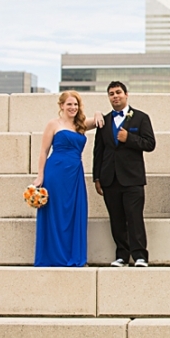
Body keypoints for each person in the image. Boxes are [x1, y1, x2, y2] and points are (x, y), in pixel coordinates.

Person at [34, 92, 103, 267]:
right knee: (55, 213)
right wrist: (40, 175)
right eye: (69, 104)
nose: (73, 108)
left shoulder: (80, 125)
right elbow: (43, 151)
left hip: (75, 175)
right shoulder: (53, 124)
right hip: (55, 173)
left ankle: (74, 256)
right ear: (62, 106)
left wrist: (97, 113)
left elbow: (97, 121)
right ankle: (53, 256)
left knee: (74, 213)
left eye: (76, 105)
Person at [93, 81, 156, 267]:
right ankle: (121, 255)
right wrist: (97, 177)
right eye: (111, 93)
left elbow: (150, 144)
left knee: (134, 218)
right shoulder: (103, 122)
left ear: (126, 94)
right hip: (109, 178)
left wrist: (129, 138)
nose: (115, 96)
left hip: (132, 178)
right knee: (116, 218)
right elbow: (98, 151)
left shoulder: (141, 118)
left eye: (118, 92)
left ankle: (140, 256)